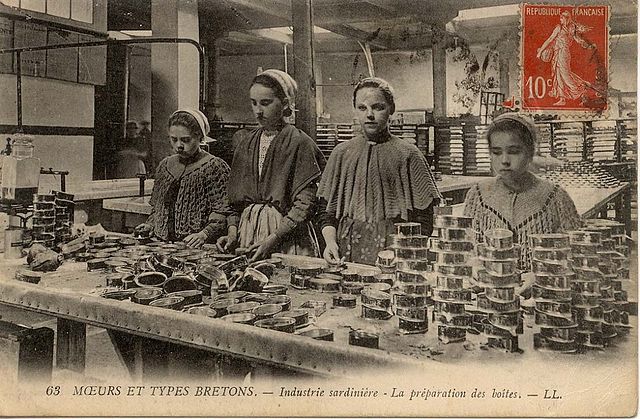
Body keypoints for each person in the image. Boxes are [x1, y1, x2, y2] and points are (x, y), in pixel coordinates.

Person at [317, 77, 441, 266]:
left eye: (378, 107)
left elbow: (424, 219)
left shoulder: (409, 155)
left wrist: (406, 252)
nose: (369, 115)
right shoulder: (341, 154)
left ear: (391, 109)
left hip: (395, 252)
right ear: (355, 110)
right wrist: (330, 243)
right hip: (346, 250)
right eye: (362, 108)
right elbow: (326, 211)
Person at [217, 69, 325, 261]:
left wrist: (273, 239)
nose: (258, 111)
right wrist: (233, 233)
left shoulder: (299, 142)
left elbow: (305, 204)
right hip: (248, 232)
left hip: (284, 235)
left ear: (284, 103)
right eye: (254, 103)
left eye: (265, 103)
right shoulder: (246, 144)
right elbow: (233, 202)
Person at [463, 113, 582, 271]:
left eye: (514, 151)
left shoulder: (555, 197)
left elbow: (577, 255)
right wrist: (475, 268)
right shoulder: (477, 196)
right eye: (496, 152)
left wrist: (539, 275)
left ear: (530, 152)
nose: (504, 160)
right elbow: (466, 250)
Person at [134, 109, 237, 248]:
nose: (179, 146)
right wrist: (150, 225)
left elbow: (224, 211)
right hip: (164, 246)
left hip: (196, 247)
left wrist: (204, 234)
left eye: (185, 140)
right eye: (173, 139)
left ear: (200, 137)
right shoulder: (165, 165)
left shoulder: (214, 167)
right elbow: (158, 208)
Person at [536, 11, 595, 106]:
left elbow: (551, 39)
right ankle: (562, 98)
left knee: (565, 75)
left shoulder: (566, 28)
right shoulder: (563, 28)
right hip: (558, 53)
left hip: (563, 53)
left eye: (562, 18)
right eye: (560, 18)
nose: (560, 20)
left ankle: (582, 89)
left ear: (567, 19)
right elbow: (551, 40)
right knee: (558, 74)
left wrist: (540, 52)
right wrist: (541, 50)